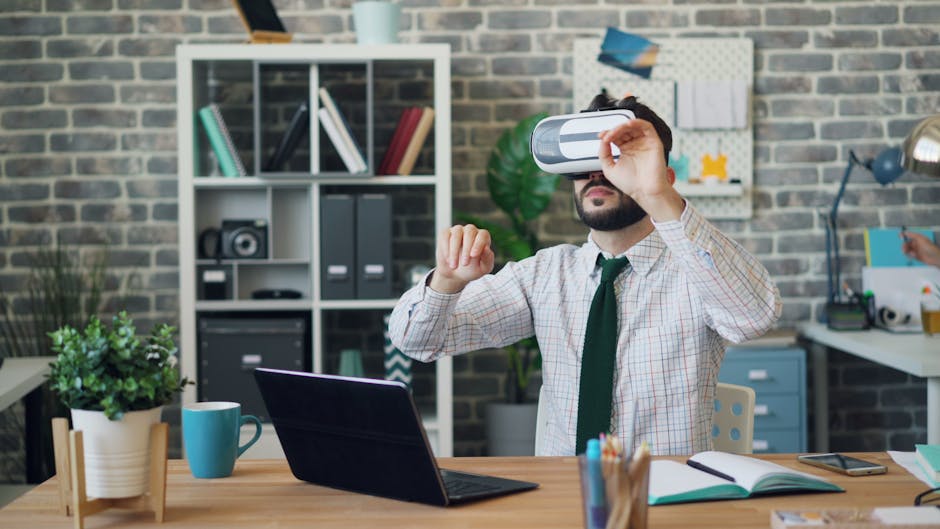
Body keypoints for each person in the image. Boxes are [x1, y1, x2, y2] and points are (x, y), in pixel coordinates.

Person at [388, 93, 781, 456]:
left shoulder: (695, 271)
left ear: (664, 177)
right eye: (583, 165)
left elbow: (754, 317)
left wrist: (658, 197)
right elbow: (417, 341)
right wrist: (448, 281)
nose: (596, 173)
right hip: (564, 499)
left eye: (616, 160)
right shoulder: (545, 275)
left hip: (669, 497)